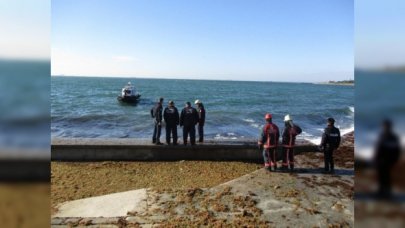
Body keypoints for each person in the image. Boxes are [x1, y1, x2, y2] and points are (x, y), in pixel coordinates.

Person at [374, 119, 401, 199]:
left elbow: (397, 150)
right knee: (381, 176)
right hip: (381, 160)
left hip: (389, 160)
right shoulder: (382, 135)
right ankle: (381, 191)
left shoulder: (394, 137)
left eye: (386, 126)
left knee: (387, 176)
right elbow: (378, 148)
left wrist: (395, 160)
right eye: (384, 126)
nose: (385, 127)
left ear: (389, 127)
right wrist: (376, 158)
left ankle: (388, 193)